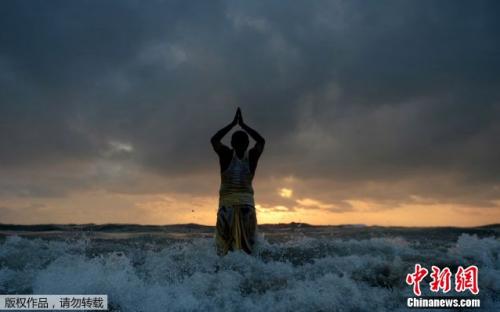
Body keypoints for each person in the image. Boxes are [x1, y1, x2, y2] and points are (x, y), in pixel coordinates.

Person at [211, 107, 265, 255]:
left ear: (232, 144)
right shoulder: (252, 156)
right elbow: (261, 141)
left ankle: (225, 276)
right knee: (249, 249)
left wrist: (233, 123)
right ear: (248, 143)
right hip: (247, 207)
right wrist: (243, 125)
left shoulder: (226, 155)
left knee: (223, 250)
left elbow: (214, 140)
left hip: (226, 207)